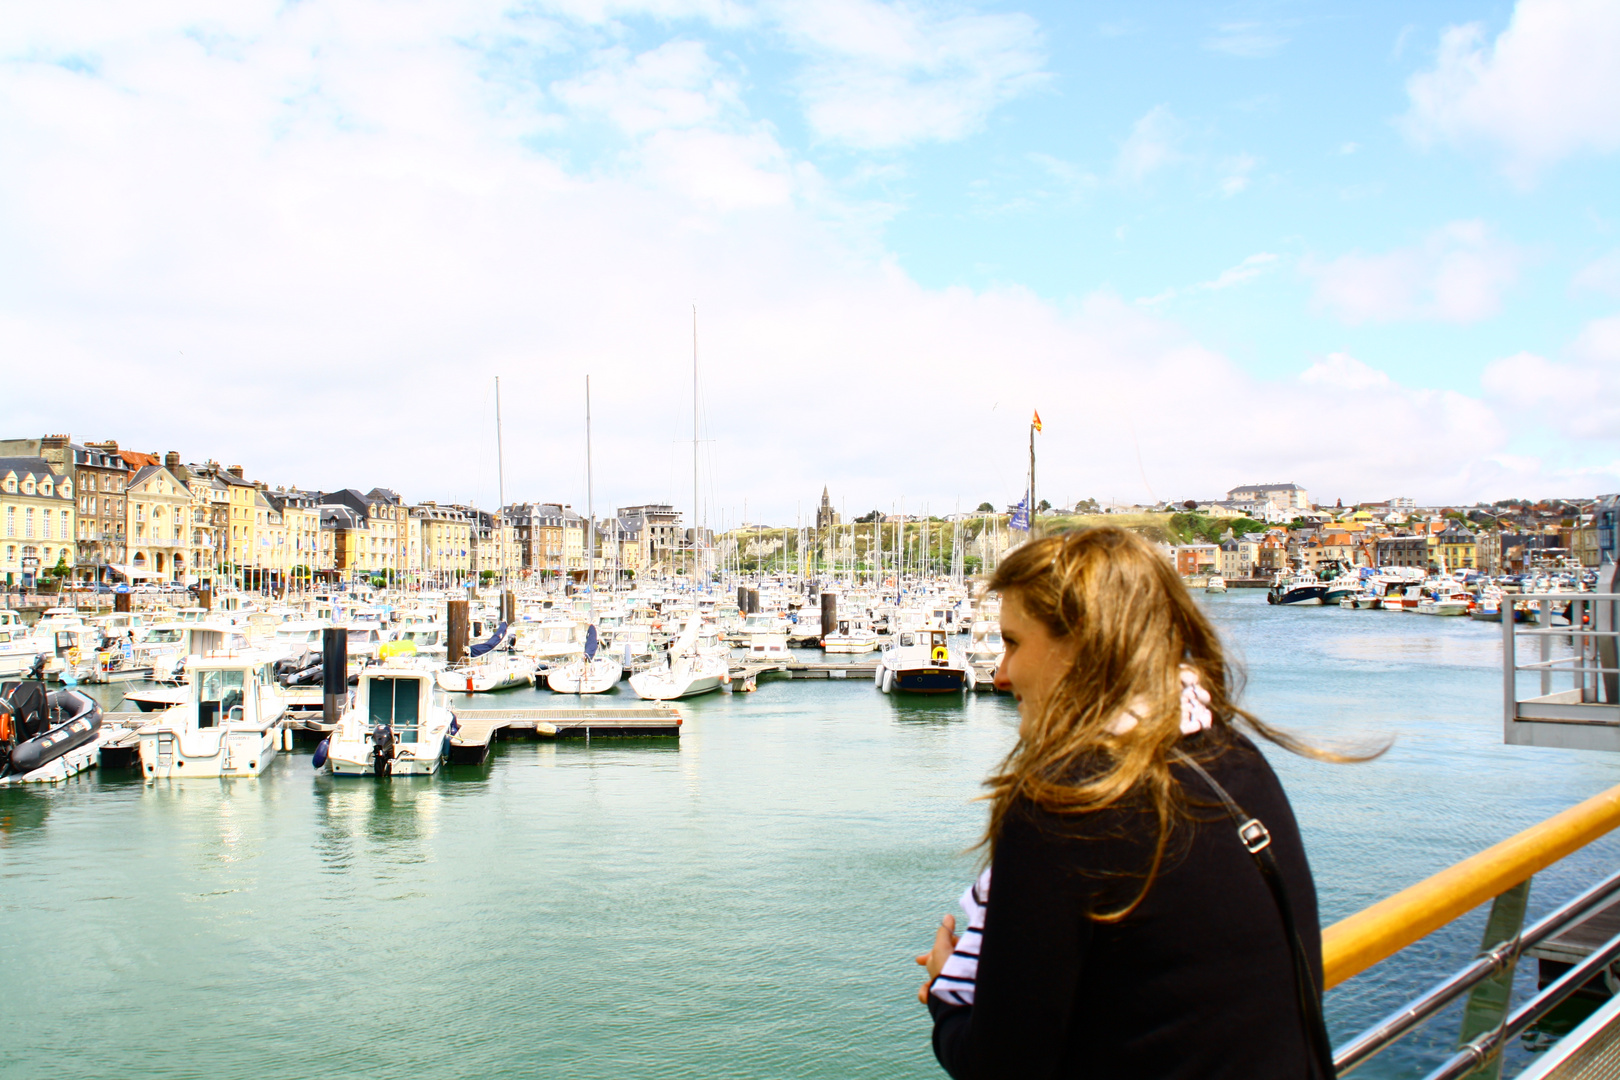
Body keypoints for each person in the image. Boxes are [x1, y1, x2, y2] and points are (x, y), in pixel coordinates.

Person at [917, 527, 1347, 1079]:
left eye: (1014, 642)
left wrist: (951, 990)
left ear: (1080, 645)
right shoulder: (1234, 757)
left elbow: (1002, 1066)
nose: (1001, 675)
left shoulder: (1070, 808)